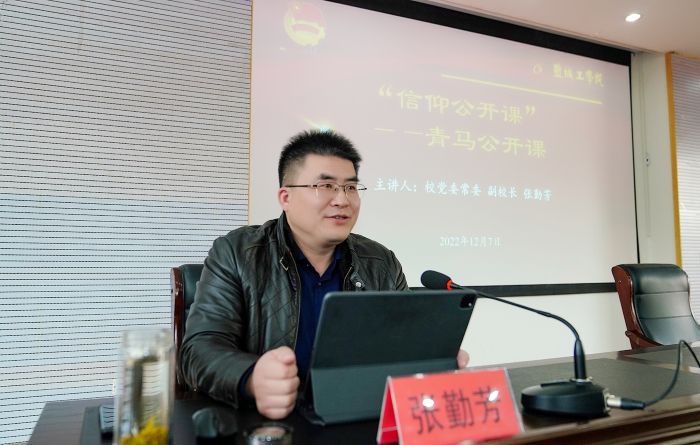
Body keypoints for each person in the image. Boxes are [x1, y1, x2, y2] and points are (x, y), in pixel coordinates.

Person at [180, 129, 469, 419]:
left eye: (351, 187)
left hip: (355, 419)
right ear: (286, 197)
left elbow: (400, 345)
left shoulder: (381, 262)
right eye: (326, 186)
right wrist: (251, 378)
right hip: (271, 425)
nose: (342, 200)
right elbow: (198, 349)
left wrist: (427, 358)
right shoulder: (237, 253)